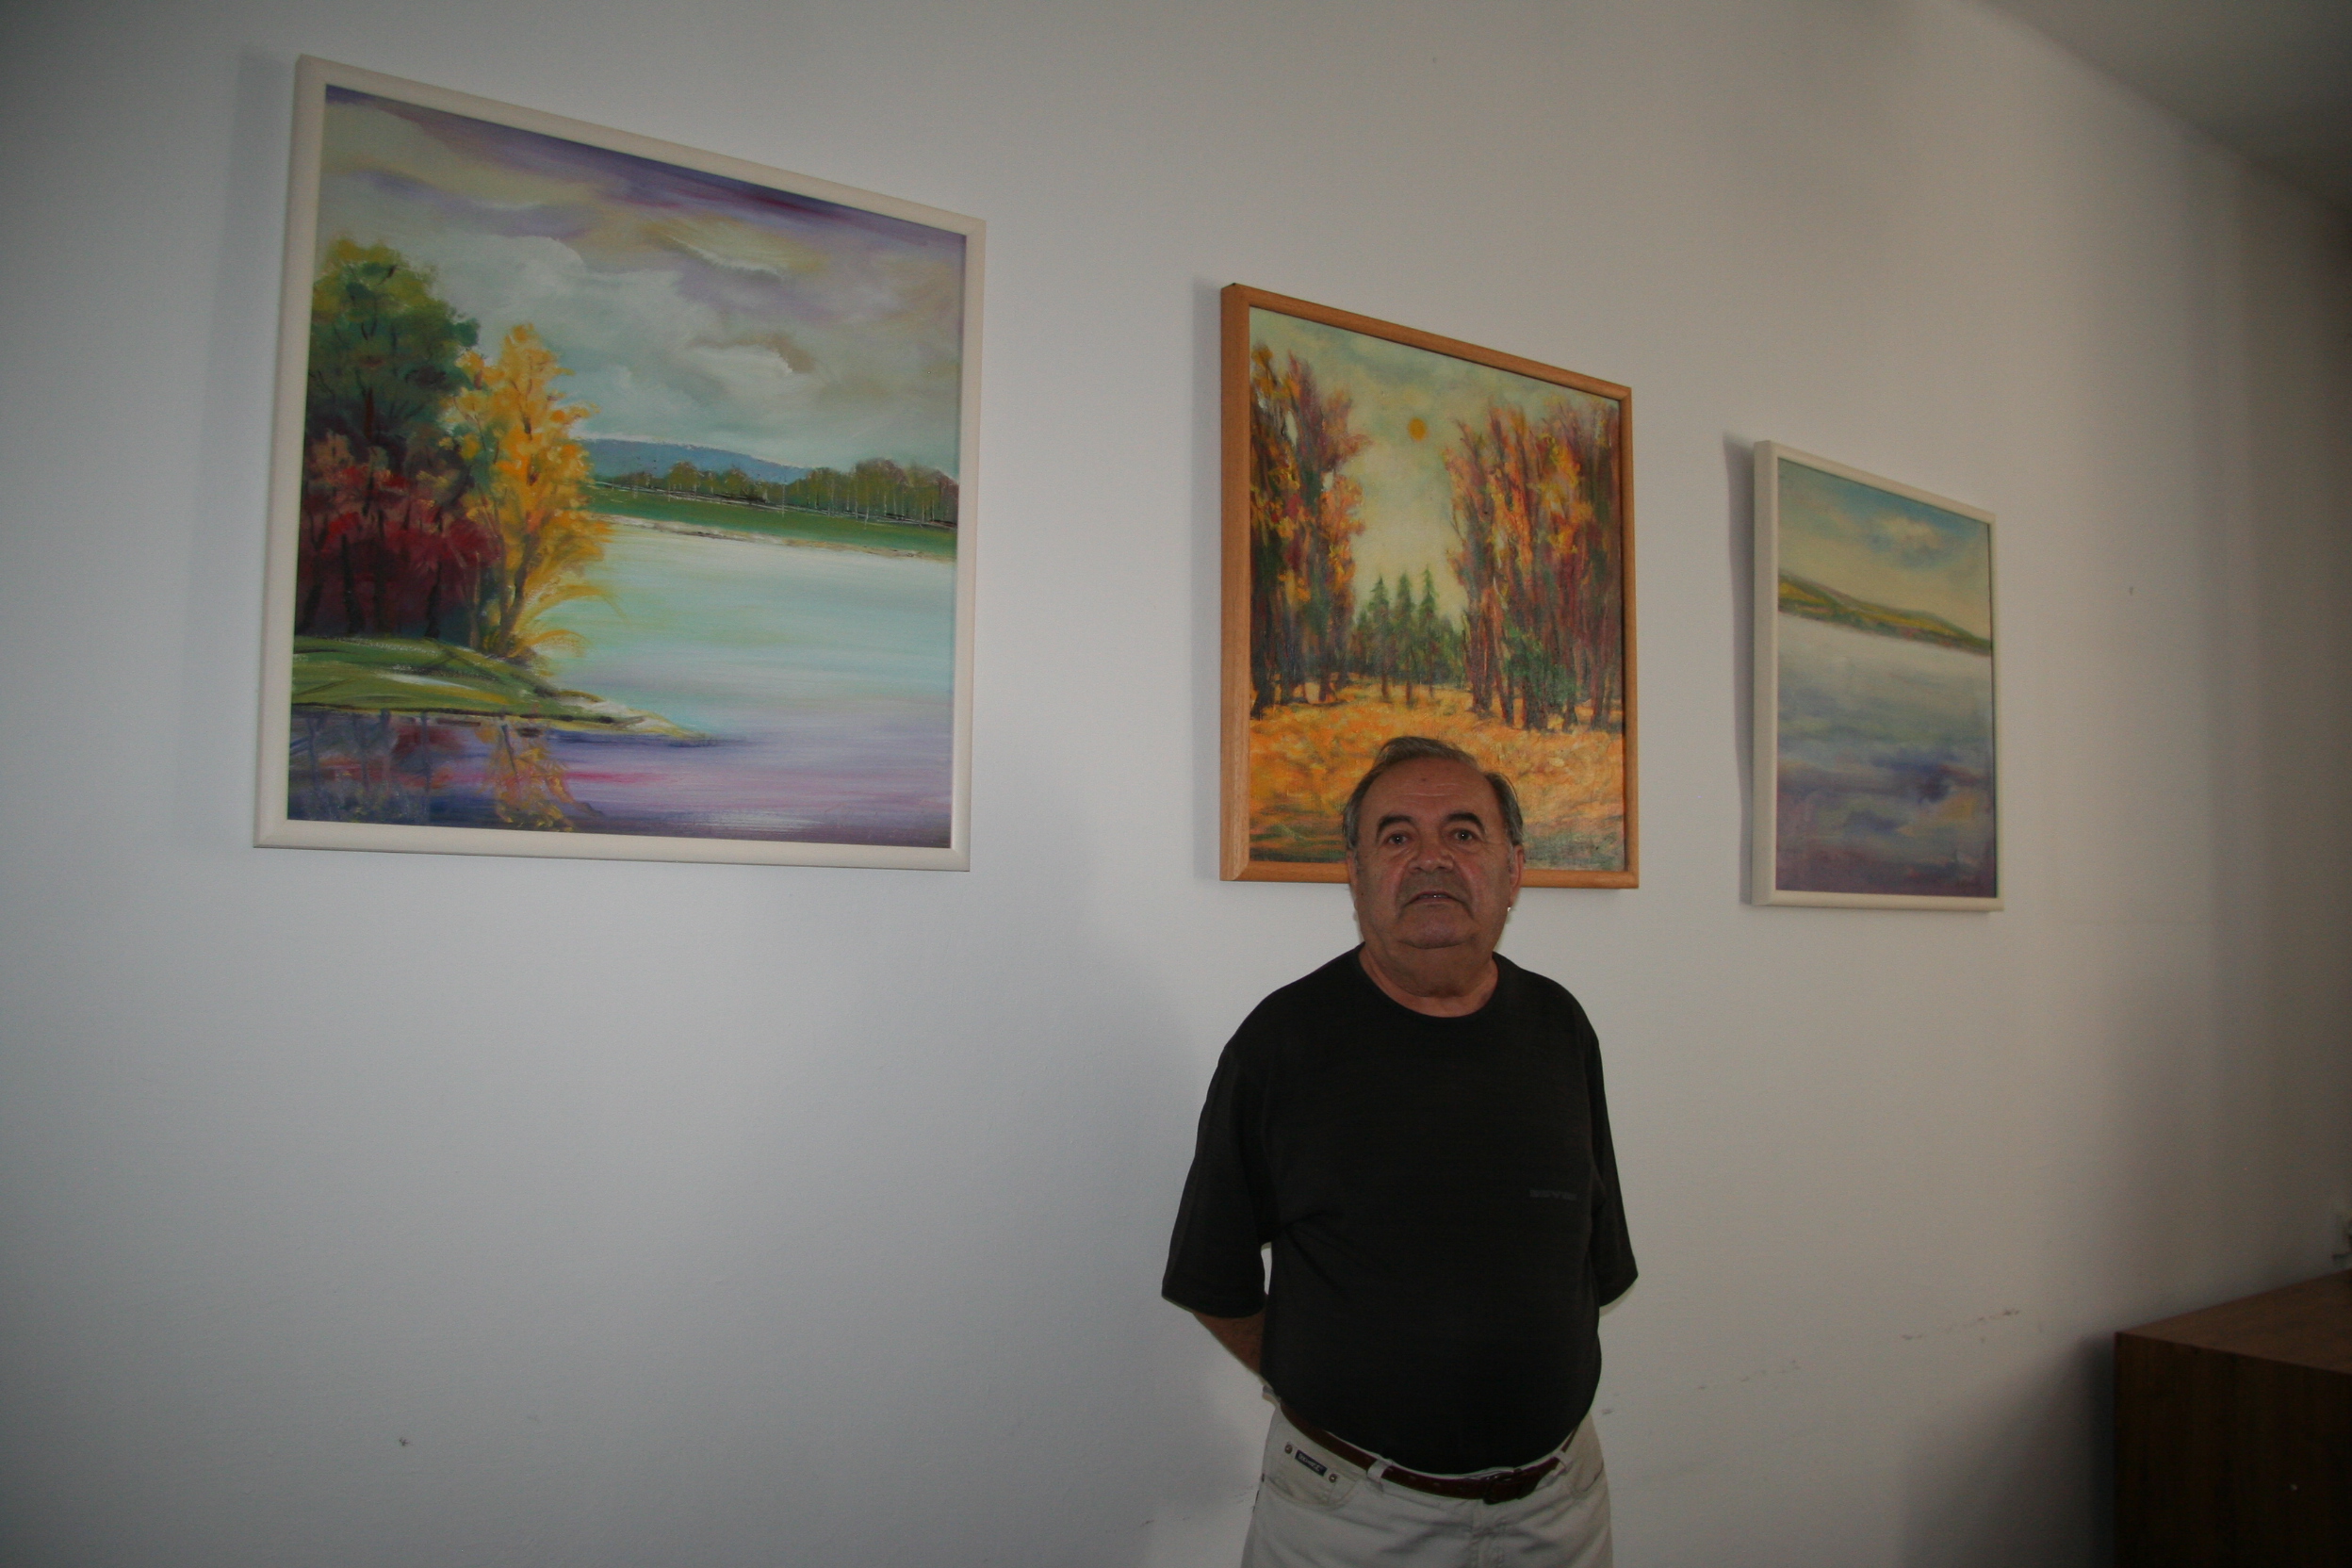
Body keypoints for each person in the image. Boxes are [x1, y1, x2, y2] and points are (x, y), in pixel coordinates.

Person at [1163, 736, 1636, 1567]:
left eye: (1464, 833)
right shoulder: (1282, 1045)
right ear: (1356, 872)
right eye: (1396, 836)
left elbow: (1592, 1261)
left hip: (1559, 1509)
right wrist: (1336, 1392)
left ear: (1513, 868)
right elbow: (1214, 1277)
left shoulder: (1560, 1027)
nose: (1432, 859)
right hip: (1352, 1521)